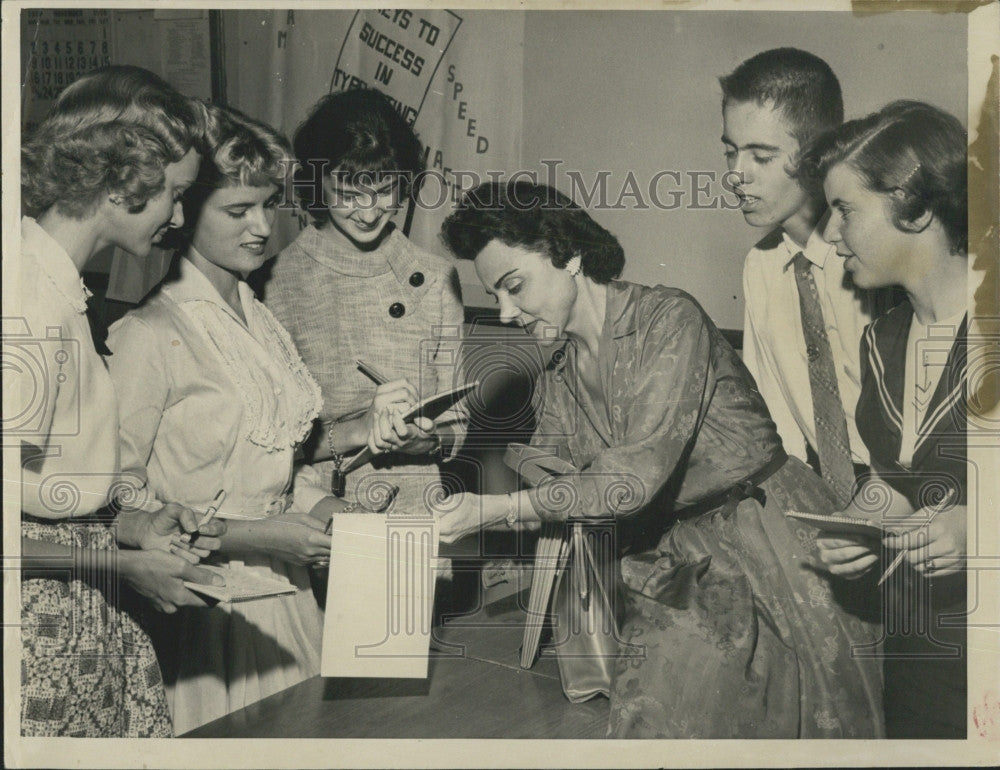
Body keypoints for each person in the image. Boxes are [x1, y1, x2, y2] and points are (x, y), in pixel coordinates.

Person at [436, 181, 884, 738]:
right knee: (654, 720)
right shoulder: (558, 377)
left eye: (514, 286)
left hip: (766, 531)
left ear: (568, 254)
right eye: (496, 294)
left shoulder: (667, 320)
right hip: (678, 554)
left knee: (809, 724)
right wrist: (436, 451)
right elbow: (557, 490)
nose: (504, 313)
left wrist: (495, 508)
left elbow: (630, 479)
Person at [106, 104, 347, 734]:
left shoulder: (257, 316)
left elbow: (273, 467)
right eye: (238, 211)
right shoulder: (150, 333)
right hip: (201, 606)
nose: (263, 227)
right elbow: (118, 504)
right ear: (182, 212)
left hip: (288, 599)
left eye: (269, 205)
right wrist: (253, 537)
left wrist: (330, 515)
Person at [14, 65, 226, 738]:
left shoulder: (53, 283)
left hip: (73, 596)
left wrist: (134, 522)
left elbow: (47, 479)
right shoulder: (27, 301)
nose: (180, 217)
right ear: (123, 180)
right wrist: (121, 564)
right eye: (175, 195)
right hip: (33, 626)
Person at [803, 101, 971, 738]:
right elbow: (898, 480)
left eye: (845, 210)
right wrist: (860, 523)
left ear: (915, 206)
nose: (831, 235)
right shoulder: (885, 337)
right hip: (920, 641)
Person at [264, 88, 465, 518]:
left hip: (416, 510)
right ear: (316, 182)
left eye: (386, 190)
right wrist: (360, 430)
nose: (370, 212)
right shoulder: (276, 283)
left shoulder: (436, 279)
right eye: (348, 193)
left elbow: (458, 425)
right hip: (312, 517)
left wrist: (423, 440)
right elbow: (264, 444)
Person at [720, 48, 892, 506]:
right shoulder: (760, 266)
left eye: (761, 155)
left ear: (816, 155)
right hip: (813, 493)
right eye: (731, 152)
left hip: (901, 486)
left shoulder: (874, 258)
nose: (737, 175)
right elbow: (772, 414)